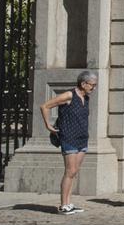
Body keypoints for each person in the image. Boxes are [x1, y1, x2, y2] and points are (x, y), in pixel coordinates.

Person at [40, 70, 97, 215]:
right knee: (69, 171)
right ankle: (63, 205)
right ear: (83, 83)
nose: (94, 88)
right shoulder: (69, 95)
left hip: (82, 138)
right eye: (92, 85)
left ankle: (69, 203)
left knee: (74, 172)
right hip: (69, 137)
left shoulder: (86, 98)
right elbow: (45, 106)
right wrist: (48, 125)